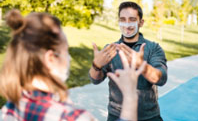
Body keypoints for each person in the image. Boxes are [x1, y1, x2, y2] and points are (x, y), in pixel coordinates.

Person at [0, 9, 146, 121]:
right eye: (65, 51)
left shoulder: (8, 109)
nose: (69, 58)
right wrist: (130, 95)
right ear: (50, 58)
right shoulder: (72, 116)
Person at [89, 1, 167, 121]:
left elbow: (161, 79)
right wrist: (96, 65)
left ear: (141, 22)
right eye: (123, 19)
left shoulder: (153, 48)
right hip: (117, 116)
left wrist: (142, 66)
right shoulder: (110, 49)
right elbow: (95, 80)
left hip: (150, 116)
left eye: (132, 19)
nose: (127, 24)